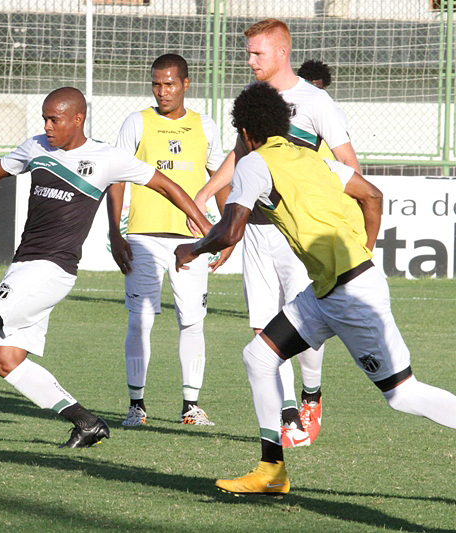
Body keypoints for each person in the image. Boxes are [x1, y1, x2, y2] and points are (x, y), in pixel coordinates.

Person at [0, 86, 213, 448]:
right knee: (7, 361)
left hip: (50, 270)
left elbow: (166, 186)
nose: (47, 126)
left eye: (54, 119)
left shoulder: (107, 158)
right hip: (24, 267)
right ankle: (87, 423)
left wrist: (205, 229)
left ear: (78, 119)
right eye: (44, 118)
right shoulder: (36, 148)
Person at [175, 81, 456, 494]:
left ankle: (273, 469)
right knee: (258, 356)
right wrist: (364, 251)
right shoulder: (309, 157)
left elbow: (231, 230)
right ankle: (271, 471)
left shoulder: (254, 163)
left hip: (351, 296)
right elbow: (372, 196)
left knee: (403, 395)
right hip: (326, 292)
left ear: (246, 133)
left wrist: (193, 247)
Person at [193, 18, 362, 448]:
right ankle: (288, 413)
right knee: (264, 330)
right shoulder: (255, 101)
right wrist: (207, 191)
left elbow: (350, 167)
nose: (249, 61)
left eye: (257, 53)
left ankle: (311, 394)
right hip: (257, 231)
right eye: (248, 52)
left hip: (298, 234)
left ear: (282, 53)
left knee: (302, 326)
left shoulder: (315, 101)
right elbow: (241, 153)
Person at [106, 53, 227, 428]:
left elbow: (221, 177)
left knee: (192, 322)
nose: (162, 91)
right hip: (142, 238)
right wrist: (115, 232)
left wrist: (224, 233)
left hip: (191, 242)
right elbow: (116, 179)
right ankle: (136, 406)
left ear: (186, 84)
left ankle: (191, 406)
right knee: (140, 321)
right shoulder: (136, 123)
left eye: (170, 84)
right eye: (156, 84)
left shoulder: (204, 125)